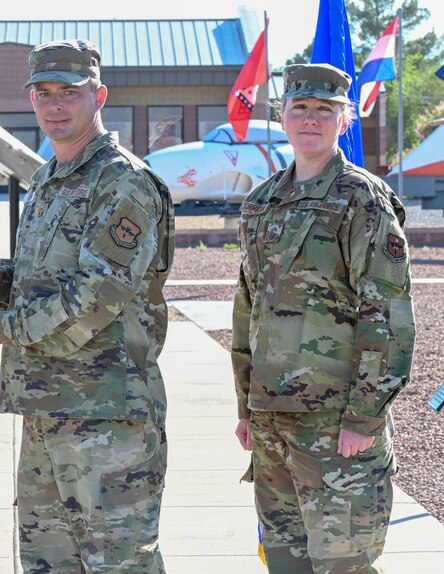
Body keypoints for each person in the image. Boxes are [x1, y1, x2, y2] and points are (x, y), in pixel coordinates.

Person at [0, 40, 174, 572]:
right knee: (48, 563)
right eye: (43, 93)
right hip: (46, 412)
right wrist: (0, 280)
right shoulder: (49, 179)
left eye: (70, 92)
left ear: (99, 96)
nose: (55, 104)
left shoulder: (122, 182)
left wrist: (6, 325)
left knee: (119, 562)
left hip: (107, 416)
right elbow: (51, 281)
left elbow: (98, 294)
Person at [231, 63, 416, 574]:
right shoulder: (261, 203)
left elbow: (388, 314)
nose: (311, 119)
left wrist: (364, 417)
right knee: (286, 562)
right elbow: (249, 310)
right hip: (272, 424)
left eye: (325, 110)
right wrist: (247, 406)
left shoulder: (362, 200)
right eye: (300, 108)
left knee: (344, 563)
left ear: (344, 120)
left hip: (335, 426)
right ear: (283, 116)